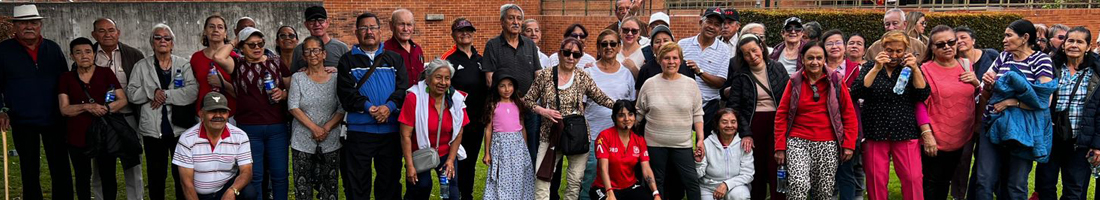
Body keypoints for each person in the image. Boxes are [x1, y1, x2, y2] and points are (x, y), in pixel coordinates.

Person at [972, 19, 1055, 200]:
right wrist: (987, 85)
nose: (1004, 40)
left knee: (1016, 184)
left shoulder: (1041, 60)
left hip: (1023, 129)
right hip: (993, 124)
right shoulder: (1004, 57)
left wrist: (1012, 102)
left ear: (1025, 38)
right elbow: (986, 92)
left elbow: (1044, 100)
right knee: (984, 180)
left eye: (1009, 35)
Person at [524, 37, 615, 200]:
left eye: (576, 54)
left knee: (574, 181)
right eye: (567, 53)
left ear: (580, 57)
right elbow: (528, 100)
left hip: (576, 134)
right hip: (550, 134)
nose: (571, 57)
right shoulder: (545, 75)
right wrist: (544, 111)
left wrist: (622, 108)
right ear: (560, 53)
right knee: (542, 178)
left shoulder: (582, 77)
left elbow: (600, 97)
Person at [0, 5, 74, 199]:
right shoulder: (4, 50)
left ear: (40, 25)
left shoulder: (53, 48)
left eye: (34, 22)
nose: (29, 27)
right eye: (23, 23)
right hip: (22, 118)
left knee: (61, 166)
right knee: (29, 168)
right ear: (15, 26)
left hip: (54, 116)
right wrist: (1, 110)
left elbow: (65, 81)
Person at [336, 11, 409, 200]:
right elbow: (346, 94)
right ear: (356, 32)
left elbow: (403, 89)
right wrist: (370, 107)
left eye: (373, 27)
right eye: (364, 28)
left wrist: (389, 107)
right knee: (357, 184)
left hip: (390, 131)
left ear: (380, 31)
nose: (369, 32)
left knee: (390, 182)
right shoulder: (347, 61)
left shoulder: (394, 59)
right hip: (360, 132)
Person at [851, 30, 931, 200]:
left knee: (912, 177)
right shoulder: (870, 66)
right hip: (875, 130)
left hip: (905, 130)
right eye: (889, 50)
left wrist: (915, 68)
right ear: (882, 48)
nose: (894, 55)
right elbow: (858, 92)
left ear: (906, 50)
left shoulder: (909, 68)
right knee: (876, 179)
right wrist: (876, 68)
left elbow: (922, 94)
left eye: (899, 51)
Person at [773, 41, 859, 199]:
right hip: (797, 140)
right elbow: (782, 114)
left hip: (828, 142)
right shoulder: (794, 81)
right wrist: (780, 146)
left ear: (825, 59)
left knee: (823, 191)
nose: (815, 62)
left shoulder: (836, 80)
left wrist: (848, 144)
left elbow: (848, 114)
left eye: (819, 58)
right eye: (810, 58)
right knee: (798, 184)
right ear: (803, 60)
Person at [217, 27, 293, 200]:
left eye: (260, 43)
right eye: (251, 45)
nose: (257, 48)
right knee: (255, 175)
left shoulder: (276, 61)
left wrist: (283, 94)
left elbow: (292, 89)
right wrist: (235, 41)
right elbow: (218, 57)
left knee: (280, 175)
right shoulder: (237, 63)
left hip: (277, 126)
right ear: (242, 47)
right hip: (249, 128)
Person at [127, 23, 197, 200]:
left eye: (167, 38)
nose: (162, 41)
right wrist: (151, 93)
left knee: (181, 175)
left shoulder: (184, 65)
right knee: (156, 176)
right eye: (158, 37)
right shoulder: (140, 66)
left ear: (172, 43)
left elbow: (191, 93)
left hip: (180, 130)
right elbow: (132, 94)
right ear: (152, 43)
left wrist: (163, 94)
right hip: (152, 131)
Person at [59, 37, 130, 200]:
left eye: (88, 51)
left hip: (104, 133)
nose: (84, 55)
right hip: (77, 136)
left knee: (108, 176)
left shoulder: (105, 73)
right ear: (71, 56)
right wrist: (86, 107)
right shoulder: (66, 78)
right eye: (78, 52)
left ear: (93, 54)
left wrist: (106, 108)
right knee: (82, 177)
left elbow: (122, 99)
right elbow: (64, 109)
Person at [913, 25, 980, 200]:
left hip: (960, 136)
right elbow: (919, 103)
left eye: (951, 42)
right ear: (932, 49)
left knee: (945, 181)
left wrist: (976, 83)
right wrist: (927, 135)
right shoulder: (925, 70)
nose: (947, 47)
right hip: (935, 137)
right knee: (931, 183)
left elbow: (977, 96)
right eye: (941, 44)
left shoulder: (966, 65)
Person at [722, 34, 788, 200]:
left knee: (777, 168)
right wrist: (746, 133)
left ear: (761, 48)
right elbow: (735, 108)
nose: (752, 56)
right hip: (753, 123)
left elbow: (789, 99)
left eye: (754, 50)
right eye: (746, 53)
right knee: (755, 169)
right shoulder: (740, 75)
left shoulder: (778, 68)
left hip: (777, 123)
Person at [637, 42, 706, 200]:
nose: (671, 61)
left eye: (675, 58)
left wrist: (700, 139)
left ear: (680, 61)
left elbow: (697, 114)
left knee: (691, 182)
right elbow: (639, 114)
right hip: (654, 144)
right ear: (660, 60)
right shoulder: (649, 84)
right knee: (655, 183)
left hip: (682, 144)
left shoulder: (690, 84)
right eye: (666, 58)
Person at [1036, 26, 1097, 200]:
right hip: (1051, 137)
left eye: (1080, 41)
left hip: (1080, 140)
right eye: (1070, 40)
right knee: (1045, 185)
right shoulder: (1051, 67)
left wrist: (1097, 144)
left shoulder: (1095, 72)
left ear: (1088, 46)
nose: (1074, 45)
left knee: (1075, 189)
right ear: (1063, 44)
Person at [88, 17, 146, 200]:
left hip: (128, 117)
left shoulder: (133, 54)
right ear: (94, 34)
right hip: (101, 120)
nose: (107, 34)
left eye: (111, 30)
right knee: (99, 167)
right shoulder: (87, 54)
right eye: (102, 31)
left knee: (133, 165)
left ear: (118, 32)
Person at [398, 59, 470, 200]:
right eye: (438, 77)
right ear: (428, 78)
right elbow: (405, 135)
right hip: (420, 151)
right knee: (421, 186)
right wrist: (410, 165)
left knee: (451, 191)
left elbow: (459, 132)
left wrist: (450, 160)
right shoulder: (414, 98)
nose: (443, 83)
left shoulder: (456, 100)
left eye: (447, 78)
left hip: (445, 152)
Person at [482, 3, 543, 163]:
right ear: (502, 22)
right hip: (505, 109)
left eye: (519, 19)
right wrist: (513, 100)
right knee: (505, 156)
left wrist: (529, 100)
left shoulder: (529, 45)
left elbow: (538, 75)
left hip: (529, 107)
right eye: (511, 18)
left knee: (531, 152)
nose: (516, 22)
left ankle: (529, 186)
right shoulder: (492, 45)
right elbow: (490, 80)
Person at [582, 29, 638, 200]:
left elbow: (631, 105)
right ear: (598, 47)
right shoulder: (589, 73)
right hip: (593, 132)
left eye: (613, 43)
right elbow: (582, 104)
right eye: (604, 44)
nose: (609, 47)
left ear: (619, 46)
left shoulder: (626, 74)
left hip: (619, 136)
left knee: (616, 175)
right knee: (590, 173)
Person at [288, 36, 345, 200]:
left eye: (316, 50)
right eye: (308, 51)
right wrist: (315, 128)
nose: (312, 54)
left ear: (324, 54)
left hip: (331, 139)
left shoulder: (336, 78)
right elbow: (293, 106)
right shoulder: (297, 78)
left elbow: (342, 107)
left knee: (329, 186)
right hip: (302, 140)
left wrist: (325, 128)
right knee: (302, 187)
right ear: (303, 56)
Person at [174, 92, 254, 200]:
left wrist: (232, 190)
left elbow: (247, 172)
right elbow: (186, 183)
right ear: (201, 114)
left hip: (225, 190)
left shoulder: (240, 136)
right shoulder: (187, 139)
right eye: (212, 111)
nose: (218, 115)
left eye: (223, 111)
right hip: (199, 195)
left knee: (249, 192)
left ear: (228, 114)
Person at [444, 18, 489, 200]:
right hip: (456, 122)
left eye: (469, 30)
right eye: (460, 31)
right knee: (453, 161)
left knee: (469, 162)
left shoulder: (482, 60)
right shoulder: (448, 59)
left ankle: (467, 195)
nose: (465, 33)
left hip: (477, 121)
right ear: (453, 35)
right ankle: (450, 194)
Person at [592, 100, 662, 200]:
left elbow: (646, 169)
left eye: (630, 114)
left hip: (630, 186)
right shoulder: (604, 136)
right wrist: (609, 193)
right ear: (614, 118)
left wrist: (656, 193)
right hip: (603, 187)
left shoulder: (639, 140)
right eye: (621, 115)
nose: (627, 119)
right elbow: (603, 168)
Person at [481, 74, 536, 200]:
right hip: (501, 146)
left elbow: (522, 127)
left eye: (510, 85)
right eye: (502, 86)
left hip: (518, 145)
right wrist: (487, 153)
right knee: (502, 175)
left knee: (519, 175)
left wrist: (525, 148)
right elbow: (488, 130)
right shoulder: (493, 105)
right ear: (496, 88)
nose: (507, 89)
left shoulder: (518, 104)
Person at [679, 7, 731, 138]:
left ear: (720, 30)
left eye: (717, 25)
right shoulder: (683, 44)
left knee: (704, 146)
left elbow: (720, 82)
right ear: (701, 22)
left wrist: (699, 71)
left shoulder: (724, 50)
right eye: (709, 22)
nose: (712, 27)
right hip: (682, 106)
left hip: (709, 108)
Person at [696, 108, 754, 200]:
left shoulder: (744, 144)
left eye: (733, 122)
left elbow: (748, 174)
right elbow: (698, 175)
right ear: (717, 125)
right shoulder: (706, 144)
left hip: (735, 186)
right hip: (709, 188)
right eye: (724, 122)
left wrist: (726, 185)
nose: (729, 125)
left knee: (740, 196)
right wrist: (698, 162)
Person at [190, 15, 238, 118]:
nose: (215, 30)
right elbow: (193, 88)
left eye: (220, 27)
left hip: (230, 115)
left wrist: (223, 84)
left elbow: (242, 94)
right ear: (205, 32)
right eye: (211, 26)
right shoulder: (196, 58)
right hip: (203, 114)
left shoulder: (235, 58)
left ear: (225, 34)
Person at [292, 6, 350, 72]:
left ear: (327, 23)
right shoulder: (299, 50)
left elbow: (350, 73)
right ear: (306, 25)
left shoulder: (341, 48)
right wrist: (300, 73)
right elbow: (292, 76)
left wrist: (338, 71)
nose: (316, 24)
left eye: (321, 20)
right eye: (312, 21)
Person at [636, 25, 695, 91]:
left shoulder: (685, 66)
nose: (662, 44)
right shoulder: (645, 69)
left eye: (666, 40)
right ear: (652, 47)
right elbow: (640, 96)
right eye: (657, 42)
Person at [385, 9, 426, 83]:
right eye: (401, 24)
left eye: (409, 25)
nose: (406, 29)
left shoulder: (417, 49)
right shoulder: (384, 50)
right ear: (391, 26)